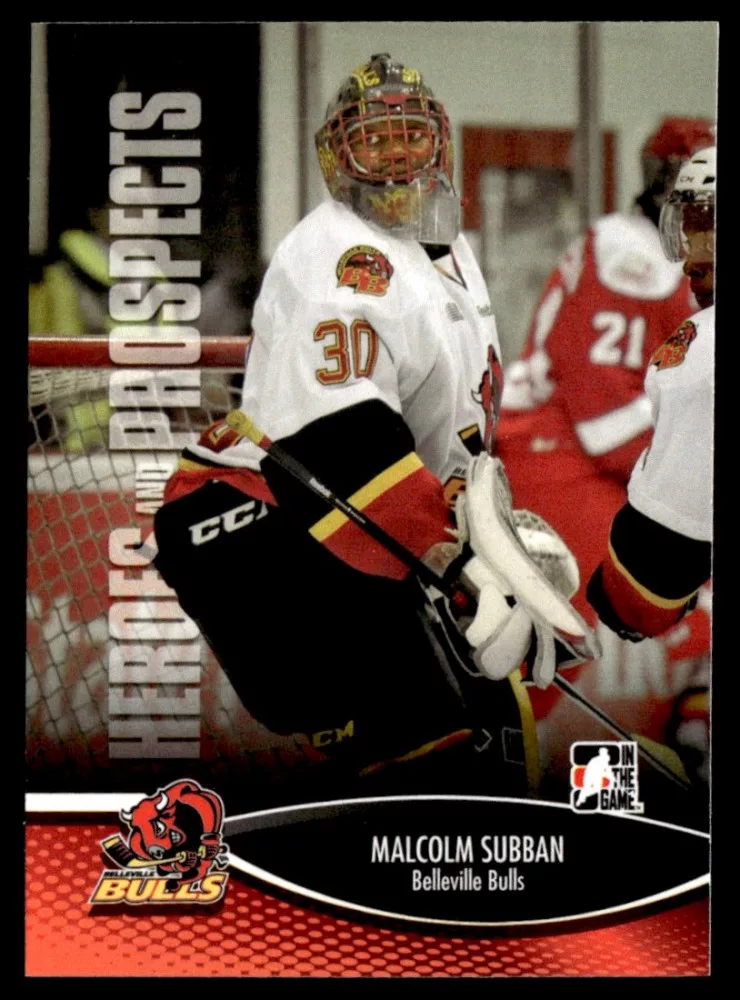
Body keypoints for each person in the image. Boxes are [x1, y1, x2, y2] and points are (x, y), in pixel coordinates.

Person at [152, 53, 592, 805]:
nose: (395, 159)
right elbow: (341, 438)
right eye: (374, 142)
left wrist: (484, 545)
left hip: (343, 515)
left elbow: (444, 439)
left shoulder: (447, 249)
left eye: (410, 138)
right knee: (432, 733)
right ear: (337, 157)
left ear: (439, 144)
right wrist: (462, 565)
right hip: (255, 523)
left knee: (493, 721)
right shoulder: (337, 253)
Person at [492, 117, 714, 729]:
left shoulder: (649, 246)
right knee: (571, 638)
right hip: (557, 459)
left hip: (572, 454)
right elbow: (607, 423)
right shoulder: (633, 255)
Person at [587, 145, 715, 787]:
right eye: (691, 225)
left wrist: (610, 602)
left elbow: (648, 586)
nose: (693, 251)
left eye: (709, 225)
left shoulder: (701, 350)